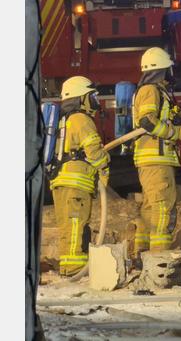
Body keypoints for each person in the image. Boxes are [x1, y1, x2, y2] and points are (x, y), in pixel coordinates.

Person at [50, 76, 110, 276]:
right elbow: (94, 151)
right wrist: (105, 165)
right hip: (76, 183)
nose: (95, 99)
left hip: (61, 181)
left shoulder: (65, 119)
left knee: (68, 226)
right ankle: (75, 268)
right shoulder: (81, 119)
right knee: (76, 224)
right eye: (91, 95)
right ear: (80, 98)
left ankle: (68, 267)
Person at [132, 47, 181, 254]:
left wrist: (178, 117)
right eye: (168, 69)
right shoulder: (150, 90)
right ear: (161, 69)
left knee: (150, 207)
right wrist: (175, 132)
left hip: (153, 160)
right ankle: (159, 255)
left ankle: (142, 253)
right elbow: (147, 121)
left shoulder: (155, 91)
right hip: (156, 159)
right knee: (162, 207)